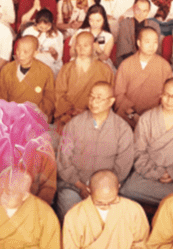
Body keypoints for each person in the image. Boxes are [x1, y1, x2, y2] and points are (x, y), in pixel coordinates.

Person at [57, 83, 136, 216]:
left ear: (111, 101)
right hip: (74, 186)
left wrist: (100, 189)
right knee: (70, 210)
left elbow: (123, 165)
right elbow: (63, 159)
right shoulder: (74, 124)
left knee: (110, 217)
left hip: (107, 189)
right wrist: (81, 186)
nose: (93, 102)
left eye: (99, 98)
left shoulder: (122, 129)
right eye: (91, 97)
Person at [123, 78, 173, 205]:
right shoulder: (146, 118)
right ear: (161, 94)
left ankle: (171, 201)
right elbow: (138, 151)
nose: (169, 100)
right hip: (150, 174)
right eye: (166, 95)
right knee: (129, 189)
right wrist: (157, 173)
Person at [113, 26, 170, 124]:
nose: (152, 46)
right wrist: (132, 115)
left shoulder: (164, 66)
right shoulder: (126, 64)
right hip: (128, 115)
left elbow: (168, 94)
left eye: (155, 42)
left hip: (154, 117)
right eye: (147, 42)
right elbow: (118, 94)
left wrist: (153, 116)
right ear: (139, 43)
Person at [0, 35, 57, 121]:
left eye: (25, 52)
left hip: (35, 118)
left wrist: (36, 114)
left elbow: (49, 98)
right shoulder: (7, 69)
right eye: (18, 50)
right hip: (11, 117)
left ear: (35, 53)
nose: (20, 55)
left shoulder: (46, 71)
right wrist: (9, 113)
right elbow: (0, 96)